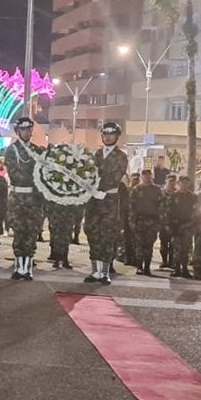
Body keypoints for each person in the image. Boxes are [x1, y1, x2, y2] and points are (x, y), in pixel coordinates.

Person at [84, 121, 129, 284]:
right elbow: (88, 173)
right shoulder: (96, 154)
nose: (108, 137)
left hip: (109, 200)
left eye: (111, 134)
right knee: (93, 234)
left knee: (107, 236)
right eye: (105, 134)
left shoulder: (121, 156)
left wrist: (98, 186)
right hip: (94, 201)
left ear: (117, 136)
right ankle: (95, 271)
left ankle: (105, 272)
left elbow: (114, 177)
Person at [4, 117, 43, 280]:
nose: (26, 132)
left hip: (33, 198)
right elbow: (15, 174)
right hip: (18, 197)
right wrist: (34, 177)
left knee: (32, 232)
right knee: (19, 231)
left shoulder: (37, 151)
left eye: (29, 129)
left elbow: (43, 174)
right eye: (23, 129)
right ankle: (19, 267)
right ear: (18, 131)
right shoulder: (11, 150)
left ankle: (27, 268)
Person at [130, 169, 163, 276]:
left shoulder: (157, 190)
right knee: (139, 244)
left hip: (153, 220)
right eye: (145, 176)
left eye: (149, 176)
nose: (147, 178)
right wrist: (132, 220)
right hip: (140, 220)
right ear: (142, 177)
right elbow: (131, 206)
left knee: (149, 245)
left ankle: (147, 267)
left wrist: (160, 221)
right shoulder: (136, 189)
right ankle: (139, 266)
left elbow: (161, 206)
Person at [168, 176, 197, 278]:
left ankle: (184, 269)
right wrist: (170, 225)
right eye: (183, 182)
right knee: (177, 249)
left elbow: (196, 211)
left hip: (188, 226)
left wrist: (192, 223)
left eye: (187, 183)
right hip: (176, 226)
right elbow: (169, 211)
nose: (185, 185)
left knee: (186, 249)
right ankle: (177, 269)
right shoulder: (173, 196)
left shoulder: (193, 197)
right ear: (179, 183)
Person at [159, 175, 178, 268]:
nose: (171, 184)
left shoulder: (177, 194)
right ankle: (164, 261)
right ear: (166, 182)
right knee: (163, 243)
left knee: (173, 244)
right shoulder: (161, 194)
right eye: (170, 182)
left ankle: (171, 262)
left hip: (174, 223)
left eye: (173, 183)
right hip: (163, 222)